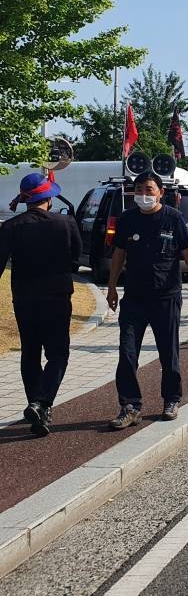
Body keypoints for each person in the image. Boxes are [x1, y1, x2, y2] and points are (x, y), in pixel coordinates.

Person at [106, 172, 188, 428]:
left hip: (166, 296)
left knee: (168, 352)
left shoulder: (173, 217)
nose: (144, 194)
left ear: (161, 192)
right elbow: (119, 253)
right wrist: (112, 287)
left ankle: (171, 399)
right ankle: (130, 406)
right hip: (134, 297)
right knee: (127, 353)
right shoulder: (128, 218)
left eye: (149, 189)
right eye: (139, 189)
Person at [0, 173, 82, 436]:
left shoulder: (11, 226)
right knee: (58, 354)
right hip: (57, 296)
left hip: (24, 297)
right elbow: (76, 258)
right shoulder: (66, 223)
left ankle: (38, 411)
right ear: (49, 197)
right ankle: (41, 402)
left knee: (30, 352)